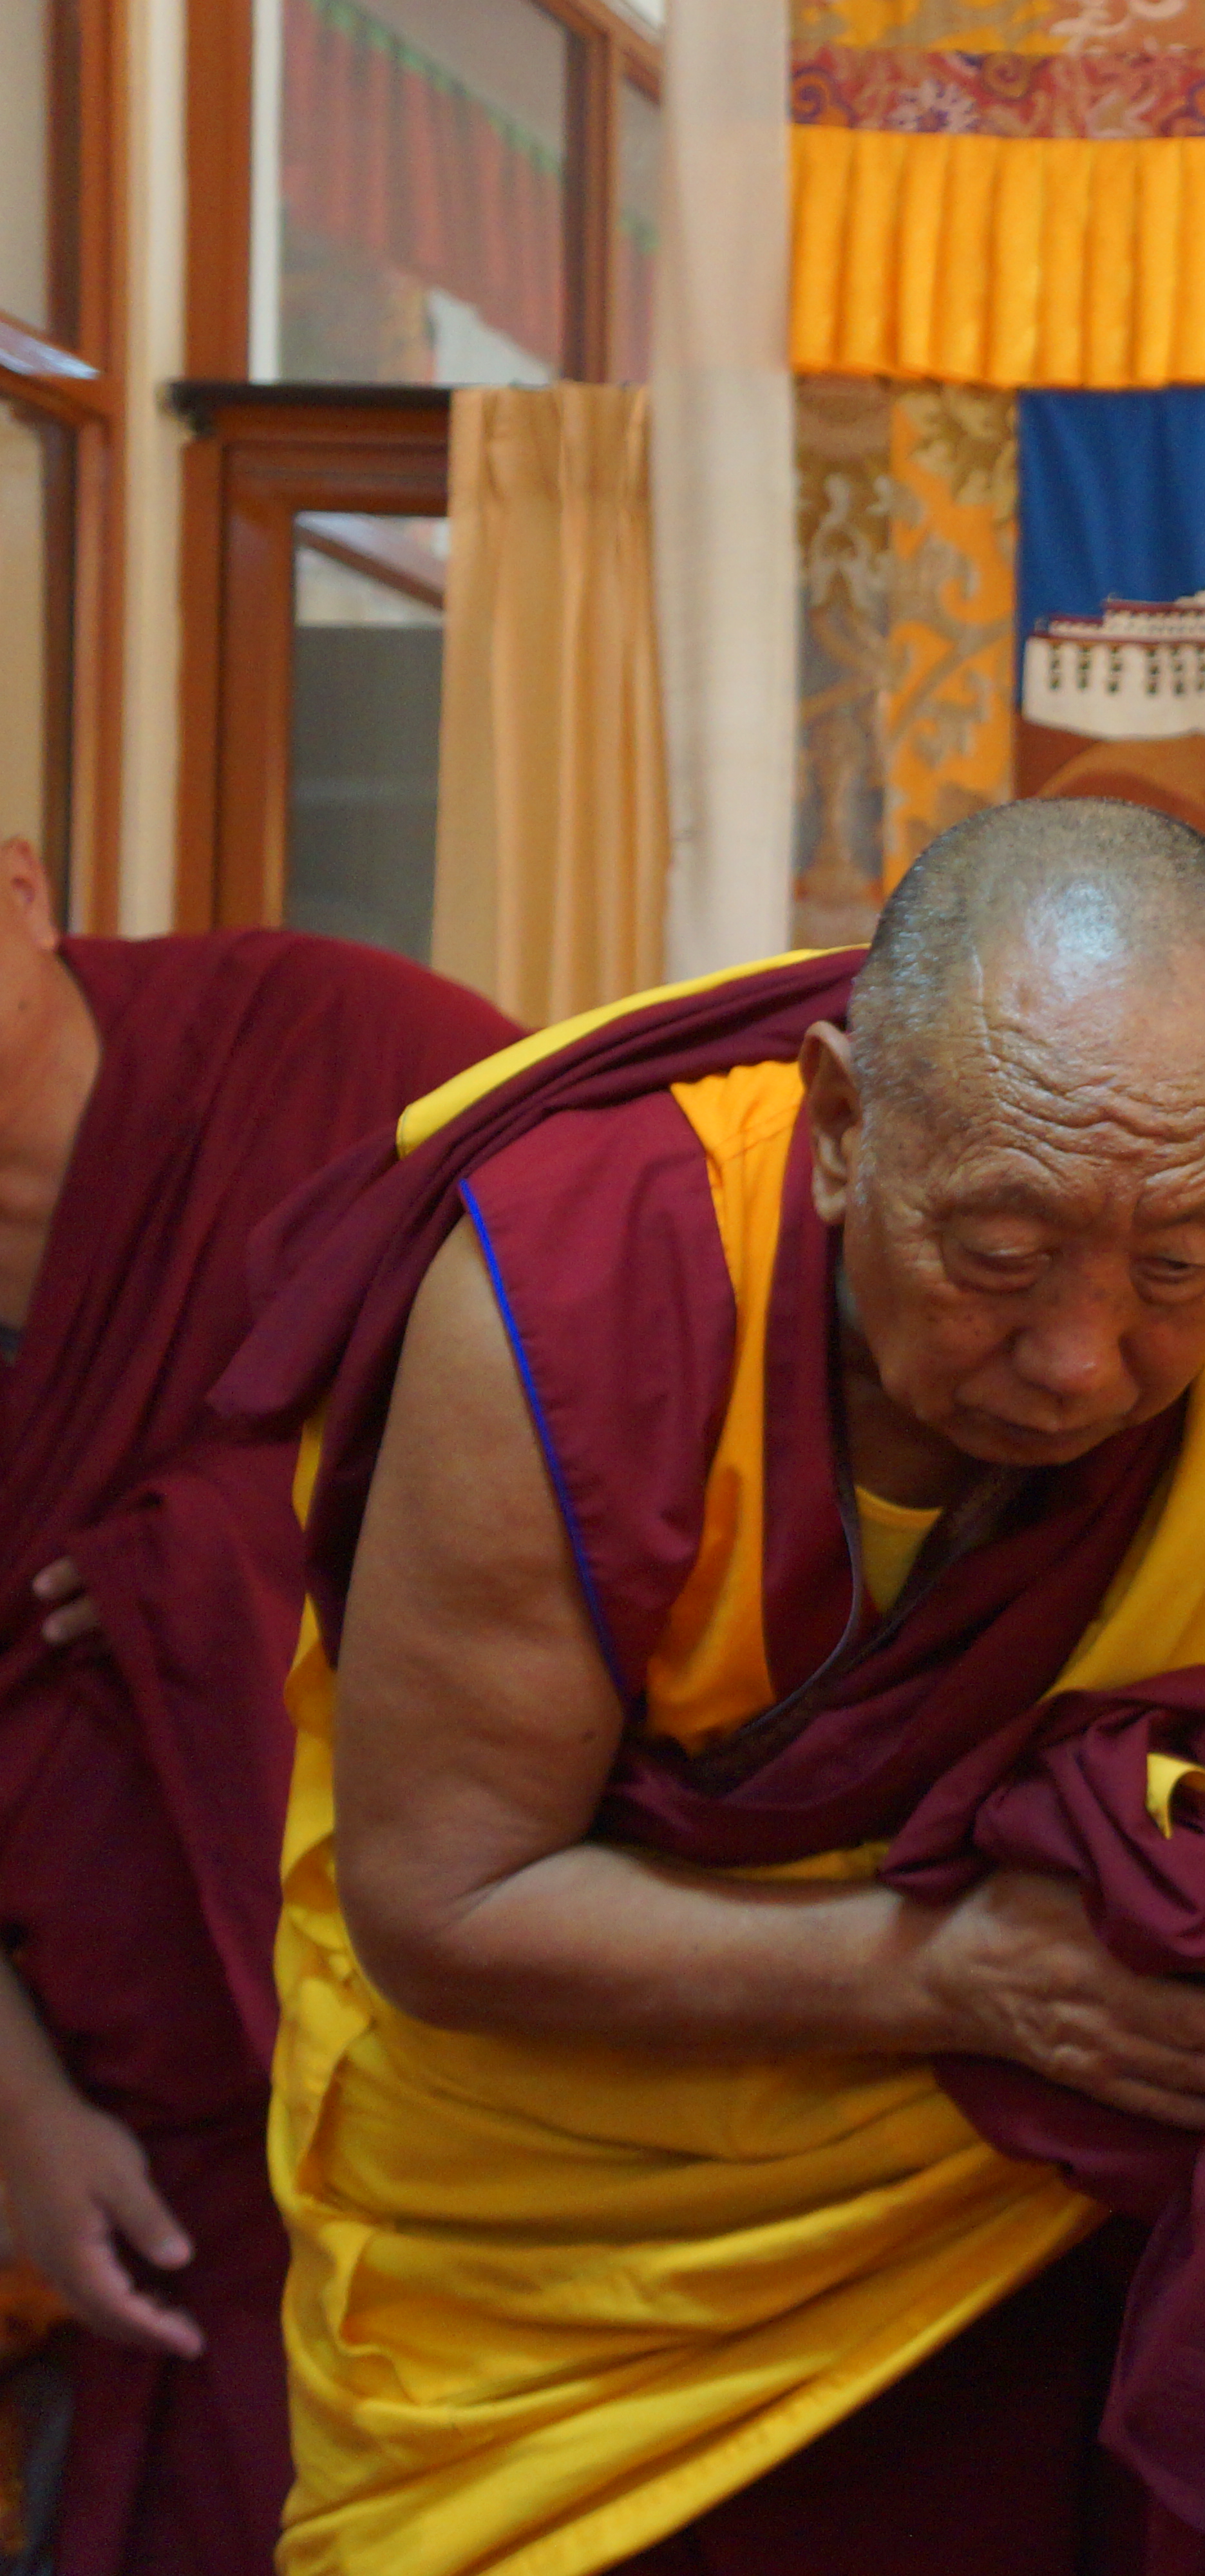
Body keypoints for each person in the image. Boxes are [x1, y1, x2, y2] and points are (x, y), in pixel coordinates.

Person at [214, 802, 1205, 2575]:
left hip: (1016, 2255)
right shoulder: (571, 1298)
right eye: (999, 1261)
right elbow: (443, 1902)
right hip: (577, 2313)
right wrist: (951, 1977)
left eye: (1175, 1271)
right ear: (846, 1122)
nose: (1084, 1359)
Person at [0, 834, 516, 2574]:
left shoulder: (327, 1045)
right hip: (123, 2119)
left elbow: (613, 1402)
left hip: (466, 2075)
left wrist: (233, 1548)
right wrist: (21, 2122)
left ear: (20, 886)